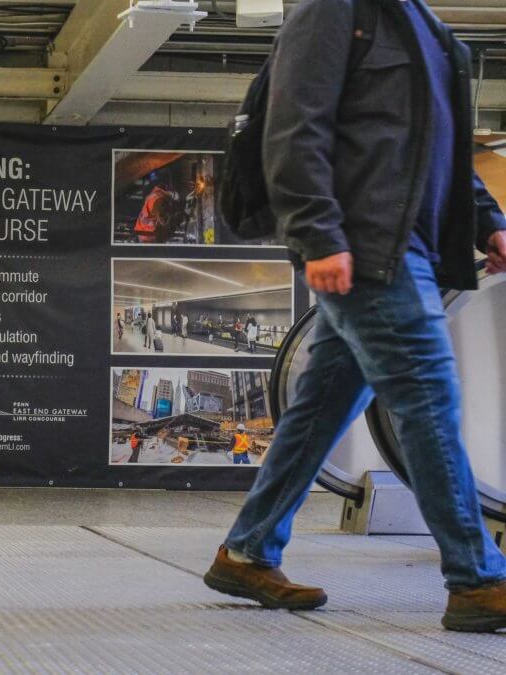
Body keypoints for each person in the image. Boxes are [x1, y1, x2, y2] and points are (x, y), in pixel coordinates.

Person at [204, 0, 506, 633]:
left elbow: (438, 149)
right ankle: (478, 580)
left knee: (319, 411)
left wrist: (489, 223)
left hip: (412, 246)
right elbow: (295, 125)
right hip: (369, 248)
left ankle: (248, 550)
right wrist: (317, 234)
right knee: (427, 398)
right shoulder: (334, 10)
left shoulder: (425, 26)